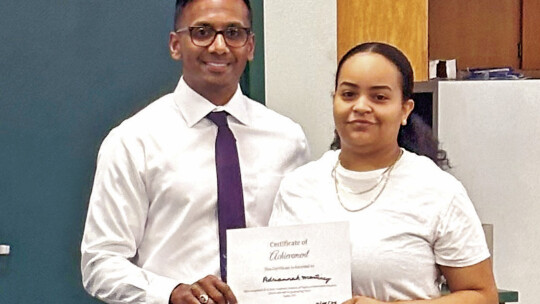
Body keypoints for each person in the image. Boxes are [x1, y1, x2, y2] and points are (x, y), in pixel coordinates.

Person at [80, 0, 310, 303]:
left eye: (233, 32)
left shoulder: (288, 140)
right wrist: (171, 293)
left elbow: (304, 247)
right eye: (202, 32)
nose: (219, 47)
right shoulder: (133, 141)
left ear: (250, 46)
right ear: (176, 44)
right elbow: (100, 263)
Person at [269, 42, 498, 304]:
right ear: (334, 100)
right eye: (348, 94)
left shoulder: (438, 190)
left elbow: (483, 296)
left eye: (379, 97)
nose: (361, 107)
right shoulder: (298, 186)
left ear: (405, 110)